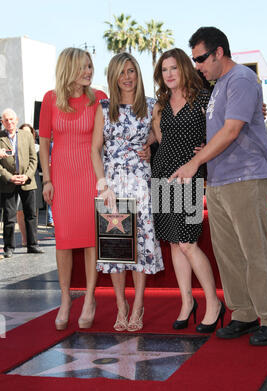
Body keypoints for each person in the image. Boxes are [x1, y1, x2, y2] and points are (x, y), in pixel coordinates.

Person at [169, 27, 267, 346]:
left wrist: (195, 163)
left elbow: (233, 130)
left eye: (201, 58)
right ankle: (244, 314)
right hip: (220, 180)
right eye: (194, 60)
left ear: (219, 51)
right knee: (229, 254)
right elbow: (223, 132)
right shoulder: (219, 85)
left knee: (254, 251)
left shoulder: (241, 80)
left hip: (247, 177)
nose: (197, 66)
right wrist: (204, 152)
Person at [150, 48, 224, 333]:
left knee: (188, 242)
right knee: (173, 242)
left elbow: (220, 132)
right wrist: (147, 145)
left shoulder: (204, 98)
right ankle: (186, 303)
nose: (169, 74)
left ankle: (213, 303)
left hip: (189, 178)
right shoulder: (160, 104)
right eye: (164, 70)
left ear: (183, 68)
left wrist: (207, 146)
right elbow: (159, 138)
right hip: (162, 177)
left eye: (173, 68)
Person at [91, 52, 164, 332]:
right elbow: (94, 149)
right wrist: (103, 184)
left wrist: (149, 144)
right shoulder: (103, 108)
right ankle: (120, 305)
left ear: (138, 74)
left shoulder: (150, 105)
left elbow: (160, 135)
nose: (127, 77)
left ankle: (138, 306)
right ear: (113, 77)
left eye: (131, 71)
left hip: (140, 185)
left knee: (140, 247)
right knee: (116, 248)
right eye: (121, 72)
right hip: (112, 187)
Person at [39, 47, 107, 331]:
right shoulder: (51, 99)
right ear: (69, 69)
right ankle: (65, 299)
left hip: (90, 176)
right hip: (62, 178)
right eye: (83, 67)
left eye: (90, 66)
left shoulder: (99, 99)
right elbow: (43, 141)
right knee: (64, 241)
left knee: (91, 239)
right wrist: (47, 179)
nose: (88, 72)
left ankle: (90, 298)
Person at [0, 109, 44, 258]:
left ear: (17, 119)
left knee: (31, 214)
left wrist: (27, 176)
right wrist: (10, 177)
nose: (9, 122)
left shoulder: (26, 136)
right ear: (2, 122)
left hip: (27, 181)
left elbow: (34, 159)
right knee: (9, 216)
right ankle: (9, 247)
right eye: (6, 120)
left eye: (11, 119)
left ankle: (33, 245)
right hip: (8, 182)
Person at [17, 123, 44, 246]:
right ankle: (24, 238)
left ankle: (33, 237)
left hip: (34, 180)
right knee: (20, 210)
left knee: (33, 211)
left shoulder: (38, 147)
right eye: (23, 132)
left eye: (29, 132)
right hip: (19, 180)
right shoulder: (15, 146)